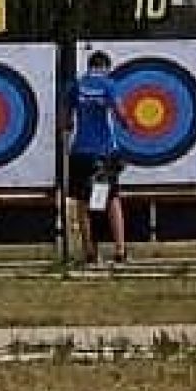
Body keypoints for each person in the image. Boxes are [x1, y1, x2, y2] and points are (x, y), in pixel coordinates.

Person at [63, 51, 128, 266]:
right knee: (111, 200)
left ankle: (90, 252)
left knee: (84, 202)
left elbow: (66, 119)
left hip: (80, 152)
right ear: (106, 67)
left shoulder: (77, 85)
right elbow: (121, 114)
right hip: (104, 154)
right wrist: (130, 124)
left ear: (90, 66)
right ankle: (120, 251)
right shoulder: (109, 85)